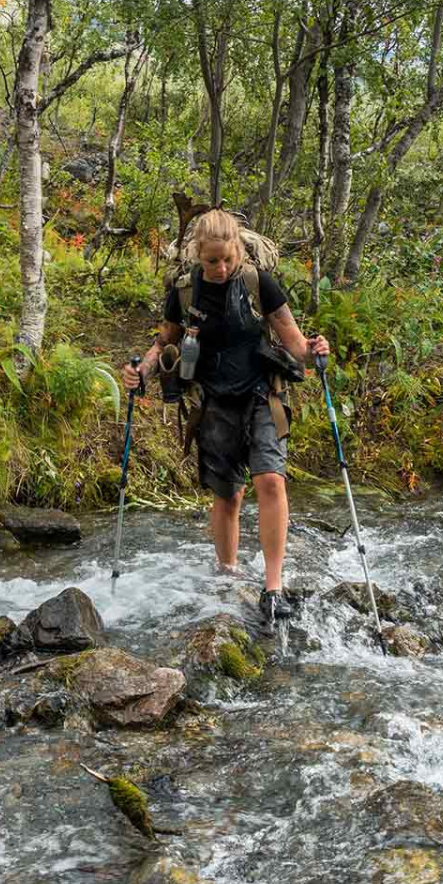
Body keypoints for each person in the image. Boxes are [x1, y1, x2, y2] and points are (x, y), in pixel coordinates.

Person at [121, 209, 330, 623]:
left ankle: (273, 587)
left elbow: (294, 344)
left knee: (270, 480)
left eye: (227, 259)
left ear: (238, 250)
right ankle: (227, 575)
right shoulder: (183, 292)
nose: (220, 268)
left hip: (260, 396)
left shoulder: (258, 284)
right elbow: (163, 342)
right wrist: (138, 372)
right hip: (214, 402)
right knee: (228, 495)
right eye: (212, 260)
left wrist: (315, 350)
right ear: (199, 254)